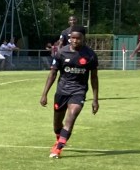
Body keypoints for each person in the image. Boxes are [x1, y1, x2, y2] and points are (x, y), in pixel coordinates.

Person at [40, 25, 99, 159]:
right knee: (57, 125)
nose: (75, 40)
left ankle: (58, 148)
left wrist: (95, 99)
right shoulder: (61, 53)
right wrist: (44, 94)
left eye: (78, 38)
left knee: (71, 117)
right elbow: (52, 74)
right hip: (62, 91)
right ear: (69, 38)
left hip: (78, 91)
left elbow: (94, 78)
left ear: (83, 39)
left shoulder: (90, 55)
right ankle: (59, 138)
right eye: (72, 38)